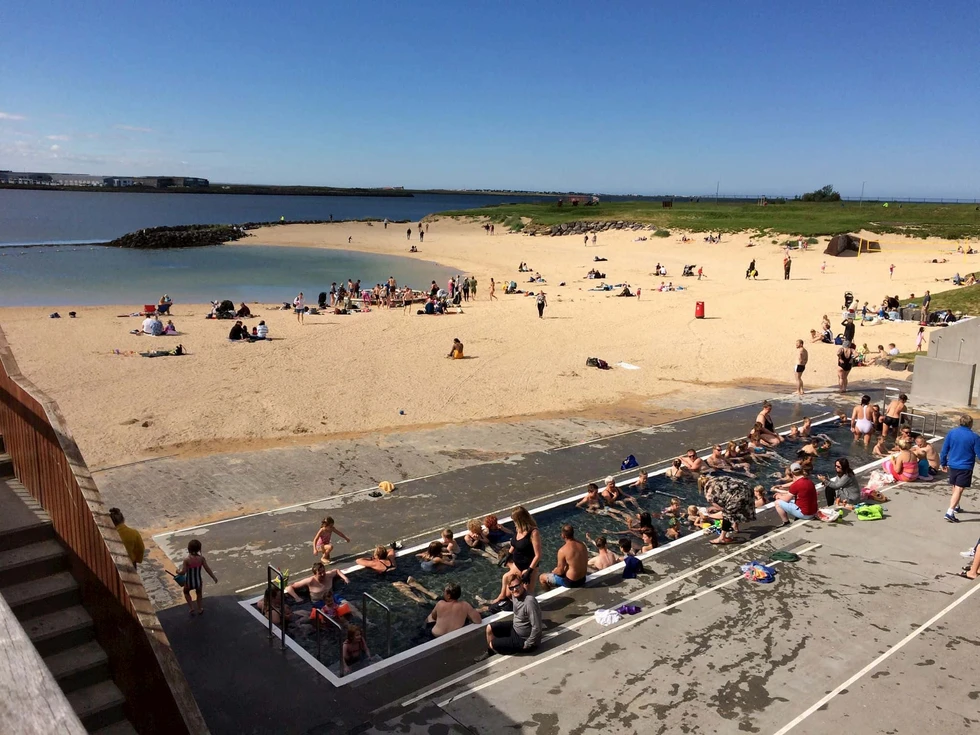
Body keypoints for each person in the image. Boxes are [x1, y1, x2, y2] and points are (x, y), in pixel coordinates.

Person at [477, 576, 542, 660]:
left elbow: (537, 627)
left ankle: (495, 649)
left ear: (522, 584)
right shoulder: (514, 595)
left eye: (517, 586)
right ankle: (491, 651)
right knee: (489, 628)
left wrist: (528, 643)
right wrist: (490, 608)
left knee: (492, 644)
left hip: (525, 639)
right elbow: (506, 604)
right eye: (511, 588)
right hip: (515, 628)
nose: (514, 590)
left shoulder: (529, 602)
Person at [940, 415, 980, 523]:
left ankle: (956, 505)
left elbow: (944, 449)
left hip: (952, 464)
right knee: (959, 488)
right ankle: (950, 511)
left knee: (955, 485)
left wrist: (943, 462)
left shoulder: (952, 433)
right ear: (971, 424)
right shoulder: (974, 437)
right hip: (965, 466)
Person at [698, 474, 757, 544]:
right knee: (737, 507)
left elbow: (722, 508)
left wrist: (712, 510)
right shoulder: (719, 478)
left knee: (727, 514)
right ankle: (735, 525)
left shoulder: (708, 493)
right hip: (747, 487)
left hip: (737, 496)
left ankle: (721, 538)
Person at [540, 524, 588, 590]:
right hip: (583, 579)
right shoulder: (582, 545)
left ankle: (548, 593)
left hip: (571, 582)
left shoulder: (562, 550)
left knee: (542, 577)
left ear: (563, 535)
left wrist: (554, 571)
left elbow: (560, 571)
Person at [507, 506, 543, 592]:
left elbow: (538, 555)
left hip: (528, 566)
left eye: (515, 520)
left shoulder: (533, 532)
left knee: (527, 592)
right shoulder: (518, 529)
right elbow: (515, 543)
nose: (514, 522)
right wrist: (509, 554)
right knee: (511, 588)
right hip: (517, 564)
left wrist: (529, 571)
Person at [178, 539, 217, 616]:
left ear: (188, 549)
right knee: (199, 594)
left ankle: (192, 607)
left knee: (186, 592)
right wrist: (213, 577)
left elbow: (183, 572)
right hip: (198, 581)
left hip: (189, 582)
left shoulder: (187, 560)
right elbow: (207, 569)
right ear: (199, 549)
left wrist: (177, 572)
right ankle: (199, 608)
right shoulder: (201, 559)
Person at [285, 562, 350, 605]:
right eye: (320, 573)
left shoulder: (329, 575)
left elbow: (336, 570)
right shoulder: (310, 581)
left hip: (332, 598)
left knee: (348, 605)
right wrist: (297, 598)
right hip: (319, 602)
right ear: (315, 574)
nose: (323, 574)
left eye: (323, 571)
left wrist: (345, 578)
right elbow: (288, 587)